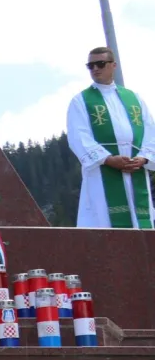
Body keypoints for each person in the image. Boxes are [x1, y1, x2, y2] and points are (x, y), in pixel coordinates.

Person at [66, 47, 154, 229]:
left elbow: (150, 131)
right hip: (102, 171)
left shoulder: (134, 98)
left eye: (100, 64)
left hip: (135, 169)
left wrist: (143, 157)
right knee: (104, 221)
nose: (95, 69)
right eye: (90, 66)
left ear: (113, 65)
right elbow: (78, 136)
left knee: (141, 223)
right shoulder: (81, 100)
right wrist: (107, 159)